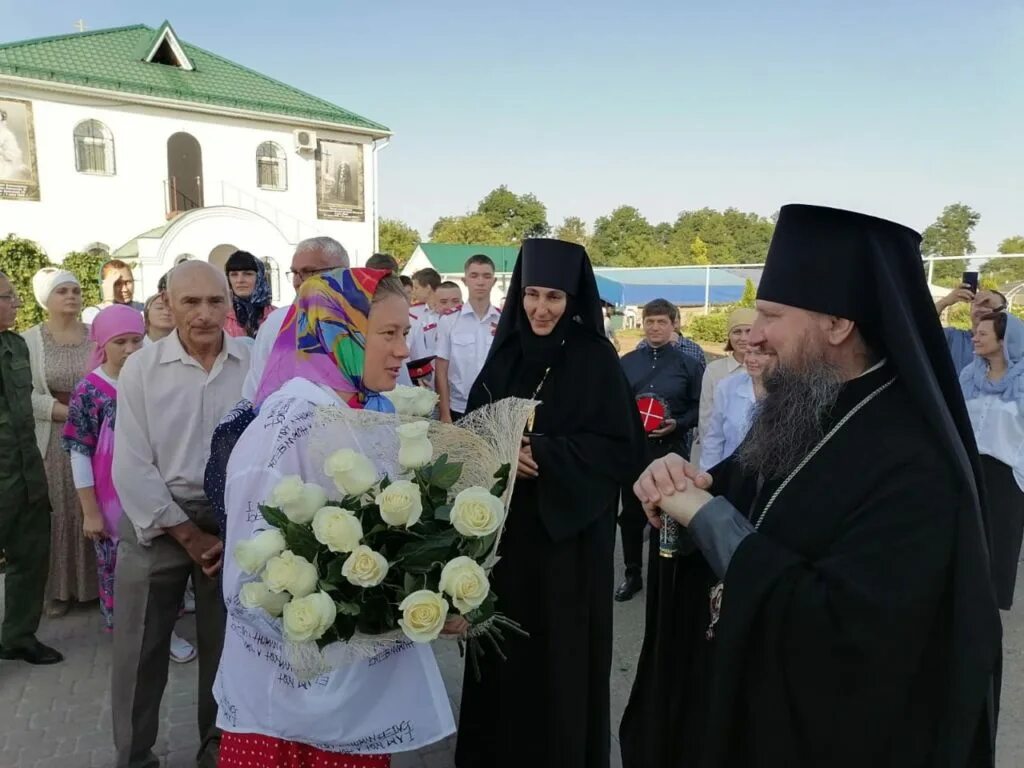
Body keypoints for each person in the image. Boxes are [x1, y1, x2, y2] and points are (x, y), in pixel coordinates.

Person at [620, 204, 1001, 768]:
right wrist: (671, 481)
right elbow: (729, 491)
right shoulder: (804, 402)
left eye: (771, 315)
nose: (755, 335)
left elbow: (850, 635)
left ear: (838, 324)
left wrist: (709, 517)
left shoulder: (917, 463)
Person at [216, 268, 458, 767]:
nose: (403, 351)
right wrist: (360, 611)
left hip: (354, 695)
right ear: (339, 334)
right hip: (282, 708)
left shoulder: (369, 408)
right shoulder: (289, 421)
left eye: (405, 332)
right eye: (387, 334)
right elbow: (247, 582)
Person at [455, 239, 644, 768]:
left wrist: (548, 452)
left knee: (561, 662)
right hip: (505, 544)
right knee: (500, 658)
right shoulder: (508, 353)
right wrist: (501, 450)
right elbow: (471, 432)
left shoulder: (595, 359)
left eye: (554, 297)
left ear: (573, 298)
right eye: (533, 294)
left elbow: (622, 448)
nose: (541, 308)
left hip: (570, 548)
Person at [111, 261, 249, 768]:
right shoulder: (142, 370)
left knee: (227, 646)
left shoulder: (250, 364)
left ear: (229, 305)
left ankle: (218, 748)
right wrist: (187, 534)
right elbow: (130, 465)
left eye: (215, 301)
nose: (205, 314)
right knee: (140, 651)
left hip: (232, 520)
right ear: (168, 303)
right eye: (191, 302)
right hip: (158, 520)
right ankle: (134, 755)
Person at [61, 304, 197, 660]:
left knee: (162, 566)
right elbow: (79, 451)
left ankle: (164, 631)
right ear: (103, 345)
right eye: (120, 342)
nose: (130, 349)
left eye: (136, 340)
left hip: (156, 489)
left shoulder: (155, 380)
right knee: (120, 570)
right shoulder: (90, 390)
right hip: (111, 500)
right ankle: (132, 636)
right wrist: (90, 511)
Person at [615, 298, 703, 602]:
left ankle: (666, 574)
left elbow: (699, 408)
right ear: (643, 324)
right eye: (649, 321)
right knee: (631, 514)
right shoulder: (626, 362)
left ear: (674, 324)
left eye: (661, 322)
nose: (655, 327)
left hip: (671, 452)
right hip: (633, 452)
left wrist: (677, 424)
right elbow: (614, 406)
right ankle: (632, 573)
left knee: (669, 513)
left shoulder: (689, 365)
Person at [22, 268, 97, 616]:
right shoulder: (30, 341)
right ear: (45, 299)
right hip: (53, 435)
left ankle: (96, 586)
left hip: (96, 432)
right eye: (62, 291)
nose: (71, 296)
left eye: (75, 290)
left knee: (93, 506)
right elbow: (26, 393)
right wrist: (64, 412)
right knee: (60, 509)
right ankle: (60, 591)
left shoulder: (96, 335)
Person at [0, 270, 62, 665]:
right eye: (8, 296)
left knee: (32, 557)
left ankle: (18, 637)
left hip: (26, 474)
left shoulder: (16, 346)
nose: (17, 303)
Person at [960, 311, 1024, 610]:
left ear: (1004, 341)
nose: (975, 337)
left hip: (1007, 472)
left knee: (1000, 542)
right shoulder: (969, 376)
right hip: (971, 468)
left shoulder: (1022, 384)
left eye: (983, 334)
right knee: (966, 538)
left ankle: (990, 608)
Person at [242, 237, 349, 402]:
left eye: (308, 272)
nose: (298, 282)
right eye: (294, 273)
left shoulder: (363, 321)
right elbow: (256, 389)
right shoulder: (276, 323)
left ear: (342, 272)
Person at [436, 255, 500, 423]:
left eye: (486, 276)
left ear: (494, 281)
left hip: (495, 409)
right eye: (474, 275)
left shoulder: (504, 322)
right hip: (459, 408)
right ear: (465, 280)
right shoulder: (449, 321)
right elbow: (441, 371)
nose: (480, 282)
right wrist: (444, 414)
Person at [690, 307, 755, 467]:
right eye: (737, 332)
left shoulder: (768, 368)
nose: (743, 338)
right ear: (729, 336)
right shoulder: (715, 370)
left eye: (749, 331)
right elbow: (707, 420)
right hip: (722, 458)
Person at [699, 348, 771, 471]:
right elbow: (715, 438)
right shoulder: (727, 387)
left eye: (759, 353)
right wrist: (709, 475)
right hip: (731, 477)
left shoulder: (791, 391)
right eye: (748, 352)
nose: (750, 359)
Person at [935, 284, 1007, 373]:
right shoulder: (954, 337)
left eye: (989, 306)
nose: (982, 309)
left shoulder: (1008, 343)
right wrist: (944, 302)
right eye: (977, 304)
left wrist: (1000, 309)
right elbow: (921, 326)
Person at [224, 250, 274, 339]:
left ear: (259, 278)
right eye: (234, 275)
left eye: (247, 274)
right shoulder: (221, 316)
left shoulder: (276, 316)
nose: (240, 280)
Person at [82, 259, 143, 324]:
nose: (125, 289)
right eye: (117, 284)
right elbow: (111, 329)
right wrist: (108, 300)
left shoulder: (143, 309)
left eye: (128, 282)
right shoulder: (92, 312)